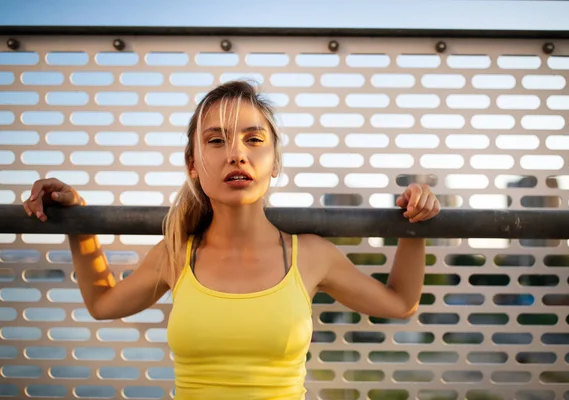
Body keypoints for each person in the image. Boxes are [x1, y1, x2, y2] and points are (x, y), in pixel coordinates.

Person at [22, 81, 441, 399]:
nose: (236, 154)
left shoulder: (311, 255)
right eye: (216, 141)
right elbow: (102, 304)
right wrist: (78, 219)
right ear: (193, 165)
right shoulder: (175, 254)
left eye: (254, 140)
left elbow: (400, 303)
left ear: (274, 161)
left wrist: (413, 223)